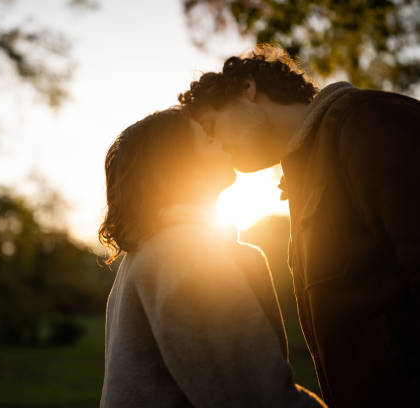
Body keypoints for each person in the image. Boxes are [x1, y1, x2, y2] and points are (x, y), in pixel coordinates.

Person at [178, 45, 420, 407]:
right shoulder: (303, 178)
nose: (219, 150)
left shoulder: (369, 120)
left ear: (247, 89)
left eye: (212, 127)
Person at [98, 107, 325, 407]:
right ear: (181, 164)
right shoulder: (184, 253)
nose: (219, 141)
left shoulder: (146, 253)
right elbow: (254, 396)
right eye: (206, 138)